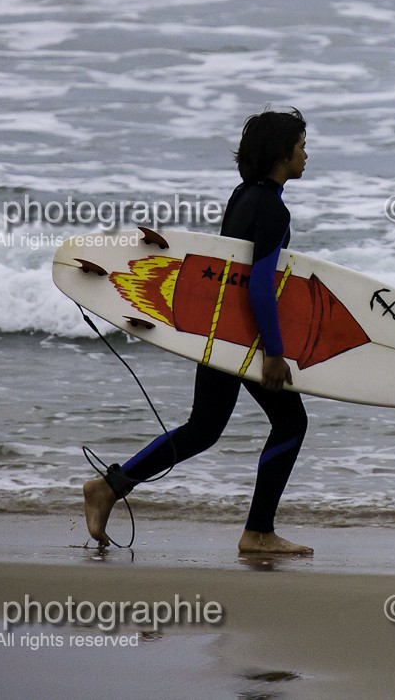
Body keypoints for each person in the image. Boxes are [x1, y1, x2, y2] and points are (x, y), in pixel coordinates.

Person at [83, 108, 313, 555]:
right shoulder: (272, 209)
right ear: (280, 153)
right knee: (290, 422)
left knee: (204, 427)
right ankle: (258, 533)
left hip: (217, 329)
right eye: (301, 145)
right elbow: (260, 285)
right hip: (241, 336)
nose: (307, 154)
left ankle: (109, 488)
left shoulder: (244, 195)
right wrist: (272, 350)